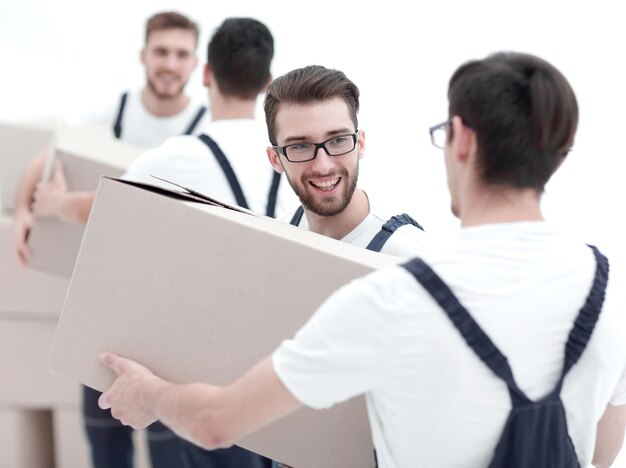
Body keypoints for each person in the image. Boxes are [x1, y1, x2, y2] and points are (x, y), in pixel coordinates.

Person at [98, 51, 626, 468]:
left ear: (461, 140)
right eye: (301, 146)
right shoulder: (608, 286)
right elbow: (601, 452)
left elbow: (218, 423)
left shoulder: (395, 289)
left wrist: (152, 395)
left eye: (337, 141)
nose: (323, 162)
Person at [25, 16, 293, 468]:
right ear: (268, 83)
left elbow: (105, 208)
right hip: (266, 374)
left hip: (195, 366)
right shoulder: (290, 164)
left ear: (206, 74)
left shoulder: (178, 157)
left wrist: (52, 204)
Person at [13, 10, 207, 267]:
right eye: (161, 52)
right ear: (143, 56)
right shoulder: (115, 109)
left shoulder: (204, 128)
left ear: (194, 62)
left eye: (181, 55)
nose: (171, 65)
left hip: (162, 258)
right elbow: (47, 156)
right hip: (97, 252)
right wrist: (21, 213)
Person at [265, 65, 426, 257]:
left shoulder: (406, 255)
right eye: (300, 146)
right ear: (275, 159)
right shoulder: (275, 240)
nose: (323, 166)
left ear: (360, 144)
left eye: (338, 140)